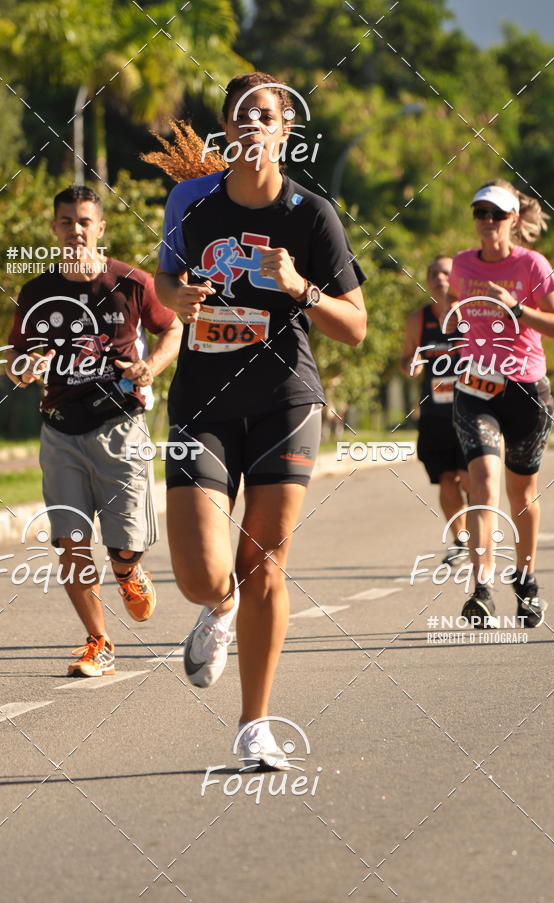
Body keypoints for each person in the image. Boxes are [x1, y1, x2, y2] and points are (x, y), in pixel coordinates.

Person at [152, 73, 367, 767]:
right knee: (199, 573)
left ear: (284, 132)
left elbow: (356, 327)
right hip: (204, 402)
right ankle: (217, 609)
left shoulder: (312, 215)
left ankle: (255, 726)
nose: (252, 125)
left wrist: (300, 286)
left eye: (265, 115)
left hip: (284, 400)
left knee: (266, 563)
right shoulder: (190, 199)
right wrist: (177, 299)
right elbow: (164, 281)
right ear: (226, 132)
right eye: (240, 116)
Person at [5, 185, 182, 675]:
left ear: (100, 228)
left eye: (85, 221)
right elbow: (15, 361)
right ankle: (98, 641)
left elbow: (173, 328)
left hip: (119, 424)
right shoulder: (36, 292)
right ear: (54, 228)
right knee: (70, 540)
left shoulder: (130, 283)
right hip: (60, 430)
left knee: (124, 544)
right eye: (67, 221)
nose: (76, 230)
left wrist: (153, 366)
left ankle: (127, 570)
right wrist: (25, 367)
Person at [449, 179, 554, 628]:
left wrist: (517, 309)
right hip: (476, 388)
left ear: (513, 220)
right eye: (480, 213)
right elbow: (457, 313)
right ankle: (481, 588)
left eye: (496, 214)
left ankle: (528, 581)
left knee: (522, 495)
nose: (487, 222)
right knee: (482, 481)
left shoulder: (532, 265)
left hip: (526, 393)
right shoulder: (462, 265)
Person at [401, 255, 469, 566]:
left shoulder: (471, 315)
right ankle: (460, 539)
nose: (439, 277)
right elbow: (407, 359)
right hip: (435, 414)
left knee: (471, 480)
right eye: (433, 273)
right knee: (446, 479)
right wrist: (411, 365)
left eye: (445, 272)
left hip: (472, 410)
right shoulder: (420, 319)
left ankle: (481, 537)